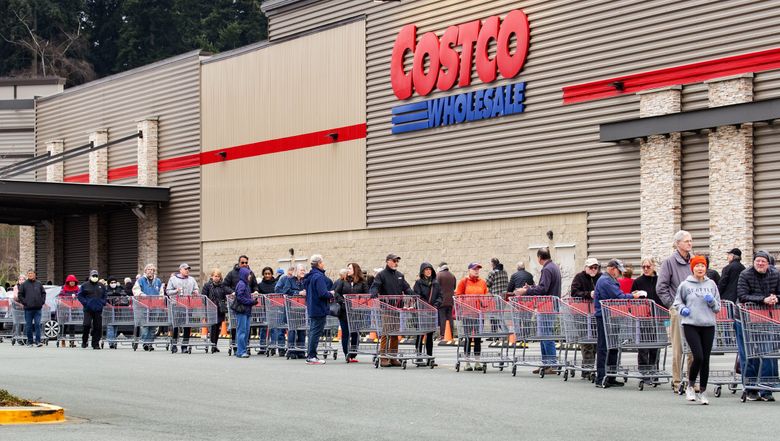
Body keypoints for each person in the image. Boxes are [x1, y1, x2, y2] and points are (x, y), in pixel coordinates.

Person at [674, 255, 721, 405]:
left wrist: (711, 301)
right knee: (698, 356)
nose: (700, 268)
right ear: (692, 268)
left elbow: (717, 307)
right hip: (691, 324)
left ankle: (703, 391)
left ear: (706, 268)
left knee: (706, 359)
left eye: (702, 265)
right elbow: (677, 302)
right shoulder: (685, 285)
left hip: (708, 324)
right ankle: (690, 386)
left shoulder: (712, 284)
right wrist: (683, 310)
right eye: (697, 266)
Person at [736, 250, 780, 401]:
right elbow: (742, 295)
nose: (760, 263)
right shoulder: (745, 274)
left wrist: (775, 298)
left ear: (768, 263)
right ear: (753, 262)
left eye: (763, 261)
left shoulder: (775, 274)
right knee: (748, 354)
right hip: (745, 319)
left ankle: (767, 389)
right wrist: (763, 299)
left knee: (769, 352)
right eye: (758, 261)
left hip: (765, 319)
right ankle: (750, 388)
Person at [594, 259, 643, 388]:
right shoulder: (606, 280)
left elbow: (618, 295)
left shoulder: (609, 279)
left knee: (613, 346)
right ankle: (601, 377)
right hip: (604, 316)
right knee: (604, 346)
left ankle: (610, 376)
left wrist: (629, 295)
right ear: (612, 269)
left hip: (611, 315)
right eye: (618, 271)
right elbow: (618, 296)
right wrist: (633, 296)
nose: (619, 274)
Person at [657, 230, 694, 393]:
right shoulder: (669, 262)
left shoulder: (694, 262)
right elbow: (661, 287)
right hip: (678, 310)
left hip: (694, 310)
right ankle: (677, 381)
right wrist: (672, 305)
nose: (690, 243)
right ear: (677, 243)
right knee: (678, 348)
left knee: (694, 348)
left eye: (691, 241)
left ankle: (692, 381)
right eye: (686, 241)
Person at [515, 248, 562, 372]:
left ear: (539, 257)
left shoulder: (547, 269)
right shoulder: (554, 267)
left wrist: (526, 291)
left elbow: (543, 289)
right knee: (544, 334)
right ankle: (546, 364)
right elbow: (544, 287)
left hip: (547, 305)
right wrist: (531, 287)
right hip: (551, 304)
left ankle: (551, 364)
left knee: (546, 335)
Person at [370, 254, 414, 367]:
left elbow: (406, 287)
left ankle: (393, 357)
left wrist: (411, 293)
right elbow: (375, 286)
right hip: (386, 307)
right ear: (388, 261)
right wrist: (374, 292)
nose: (396, 263)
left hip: (397, 307)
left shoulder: (400, 275)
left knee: (395, 332)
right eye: (394, 261)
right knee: (386, 332)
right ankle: (383, 358)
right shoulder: (381, 275)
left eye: (397, 261)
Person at [569, 257, 601, 377]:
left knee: (596, 342)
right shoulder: (579, 277)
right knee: (586, 341)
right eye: (591, 267)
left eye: (595, 267)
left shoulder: (600, 277)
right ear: (586, 267)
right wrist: (588, 294)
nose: (593, 269)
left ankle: (589, 368)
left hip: (595, 313)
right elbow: (574, 292)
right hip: (581, 313)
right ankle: (588, 370)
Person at [455, 262, 488, 371]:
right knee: (468, 338)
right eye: (474, 269)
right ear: (469, 270)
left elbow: (485, 295)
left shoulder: (482, 282)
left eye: (478, 269)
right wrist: (465, 301)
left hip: (479, 314)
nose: (476, 270)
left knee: (478, 338)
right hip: (467, 313)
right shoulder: (463, 282)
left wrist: (485, 303)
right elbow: (458, 295)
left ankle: (477, 362)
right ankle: (467, 362)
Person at [332, 262, 368, 362]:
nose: (348, 270)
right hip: (344, 311)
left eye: (350, 268)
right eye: (347, 268)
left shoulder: (362, 282)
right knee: (345, 333)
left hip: (357, 312)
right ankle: (346, 353)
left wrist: (359, 302)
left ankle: (353, 353)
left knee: (355, 333)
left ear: (355, 270)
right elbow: (337, 293)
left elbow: (366, 295)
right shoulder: (342, 281)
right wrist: (343, 301)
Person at [632, 257, 661, 377]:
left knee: (656, 345)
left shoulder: (660, 280)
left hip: (659, 316)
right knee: (643, 345)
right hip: (644, 316)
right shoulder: (638, 281)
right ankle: (644, 370)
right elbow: (632, 296)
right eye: (643, 267)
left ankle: (654, 369)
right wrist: (636, 295)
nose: (645, 269)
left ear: (653, 266)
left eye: (648, 266)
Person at [303, 255, 334, 365]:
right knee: (315, 332)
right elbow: (323, 293)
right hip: (319, 308)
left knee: (313, 332)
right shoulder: (319, 276)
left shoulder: (310, 276)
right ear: (319, 263)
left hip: (312, 306)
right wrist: (331, 293)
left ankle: (311, 355)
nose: (323, 264)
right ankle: (312, 356)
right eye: (322, 262)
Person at [166, 263, 200, 354]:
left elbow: (196, 289)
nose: (187, 270)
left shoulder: (192, 279)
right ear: (180, 270)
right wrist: (176, 291)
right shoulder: (173, 279)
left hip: (188, 305)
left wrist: (196, 292)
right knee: (176, 325)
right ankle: (174, 345)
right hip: (176, 305)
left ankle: (184, 346)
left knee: (187, 326)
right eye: (185, 269)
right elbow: (168, 291)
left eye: (188, 269)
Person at [413, 262, 442, 366]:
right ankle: (419, 356)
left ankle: (429, 357)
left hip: (431, 311)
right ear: (422, 271)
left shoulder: (435, 283)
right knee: (420, 334)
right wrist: (425, 305)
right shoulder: (418, 283)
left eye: (430, 269)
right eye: (426, 269)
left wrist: (435, 305)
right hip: (421, 311)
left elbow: (440, 296)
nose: (428, 271)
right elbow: (417, 296)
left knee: (429, 335)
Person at [276, 264, 307, 359]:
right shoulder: (290, 280)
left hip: (302, 308)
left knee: (302, 329)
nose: (303, 272)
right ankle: (291, 351)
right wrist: (298, 293)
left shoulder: (305, 281)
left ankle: (301, 351)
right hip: (291, 308)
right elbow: (286, 290)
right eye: (301, 270)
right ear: (296, 271)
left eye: (304, 270)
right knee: (292, 329)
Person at [132, 263, 164, 351]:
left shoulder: (158, 281)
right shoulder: (140, 280)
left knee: (153, 326)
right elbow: (135, 290)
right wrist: (142, 295)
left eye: (152, 269)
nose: (150, 271)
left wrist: (161, 299)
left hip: (155, 306)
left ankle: (149, 343)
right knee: (145, 325)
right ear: (145, 271)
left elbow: (161, 292)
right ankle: (145, 342)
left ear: (154, 271)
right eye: (148, 269)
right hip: (143, 306)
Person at [202, 269, 233, 353]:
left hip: (220, 309)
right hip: (211, 309)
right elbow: (203, 297)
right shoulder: (207, 285)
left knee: (218, 327)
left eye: (218, 276)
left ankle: (215, 344)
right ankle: (212, 345)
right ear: (212, 276)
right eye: (215, 276)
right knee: (213, 327)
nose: (217, 278)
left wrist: (233, 293)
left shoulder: (222, 286)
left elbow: (228, 292)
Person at [77, 269, 107, 350]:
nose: (95, 277)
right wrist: (85, 303)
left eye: (96, 276)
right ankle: (84, 340)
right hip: (88, 309)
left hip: (98, 309)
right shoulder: (85, 285)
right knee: (86, 325)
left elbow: (105, 295)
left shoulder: (101, 286)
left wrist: (102, 302)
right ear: (90, 276)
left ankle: (95, 343)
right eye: (93, 276)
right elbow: (80, 295)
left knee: (97, 327)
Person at [17, 269, 47, 347]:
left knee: (37, 325)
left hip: (38, 309)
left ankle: (38, 341)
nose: (30, 275)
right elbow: (20, 295)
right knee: (29, 325)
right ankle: (30, 342)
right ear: (27, 275)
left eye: (31, 273)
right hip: (28, 309)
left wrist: (42, 301)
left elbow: (43, 293)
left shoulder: (39, 283)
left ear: (34, 274)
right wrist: (25, 302)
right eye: (29, 273)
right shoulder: (24, 284)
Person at [232, 267, 257, 358]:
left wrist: (251, 299)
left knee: (245, 331)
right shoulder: (242, 284)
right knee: (242, 331)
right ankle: (241, 351)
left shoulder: (246, 284)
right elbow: (240, 297)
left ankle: (242, 350)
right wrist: (251, 302)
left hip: (246, 311)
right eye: (249, 274)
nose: (250, 276)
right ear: (244, 275)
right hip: (242, 311)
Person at [105, 276, 129, 349]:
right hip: (108, 310)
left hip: (117, 310)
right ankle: (111, 342)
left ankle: (114, 340)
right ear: (109, 283)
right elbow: (105, 296)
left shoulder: (120, 288)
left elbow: (124, 294)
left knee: (115, 325)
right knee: (110, 326)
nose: (113, 284)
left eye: (114, 282)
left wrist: (118, 294)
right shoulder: (106, 289)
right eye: (112, 282)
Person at [256, 266, 277, 351]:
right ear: (263, 275)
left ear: (272, 274)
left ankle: (273, 347)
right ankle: (262, 347)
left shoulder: (276, 284)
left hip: (273, 308)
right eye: (265, 274)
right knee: (263, 328)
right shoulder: (260, 285)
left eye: (269, 274)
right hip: (263, 309)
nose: (267, 275)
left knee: (273, 328)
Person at [58, 274, 80, 347]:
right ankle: (63, 340)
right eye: (70, 281)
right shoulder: (64, 288)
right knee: (64, 326)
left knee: (72, 325)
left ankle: (72, 341)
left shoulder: (77, 289)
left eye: (73, 282)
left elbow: (80, 296)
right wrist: (66, 300)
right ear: (68, 282)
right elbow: (60, 297)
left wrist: (76, 297)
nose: (72, 283)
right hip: (65, 310)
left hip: (74, 309)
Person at [436, 262, 457, 340]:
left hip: (441, 300)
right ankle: (450, 333)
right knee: (450, 317)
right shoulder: (452, 275)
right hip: (450, 300)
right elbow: (454, 287)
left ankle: (443, 335)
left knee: (442, 318)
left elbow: (436, 287)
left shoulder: (439, 275)